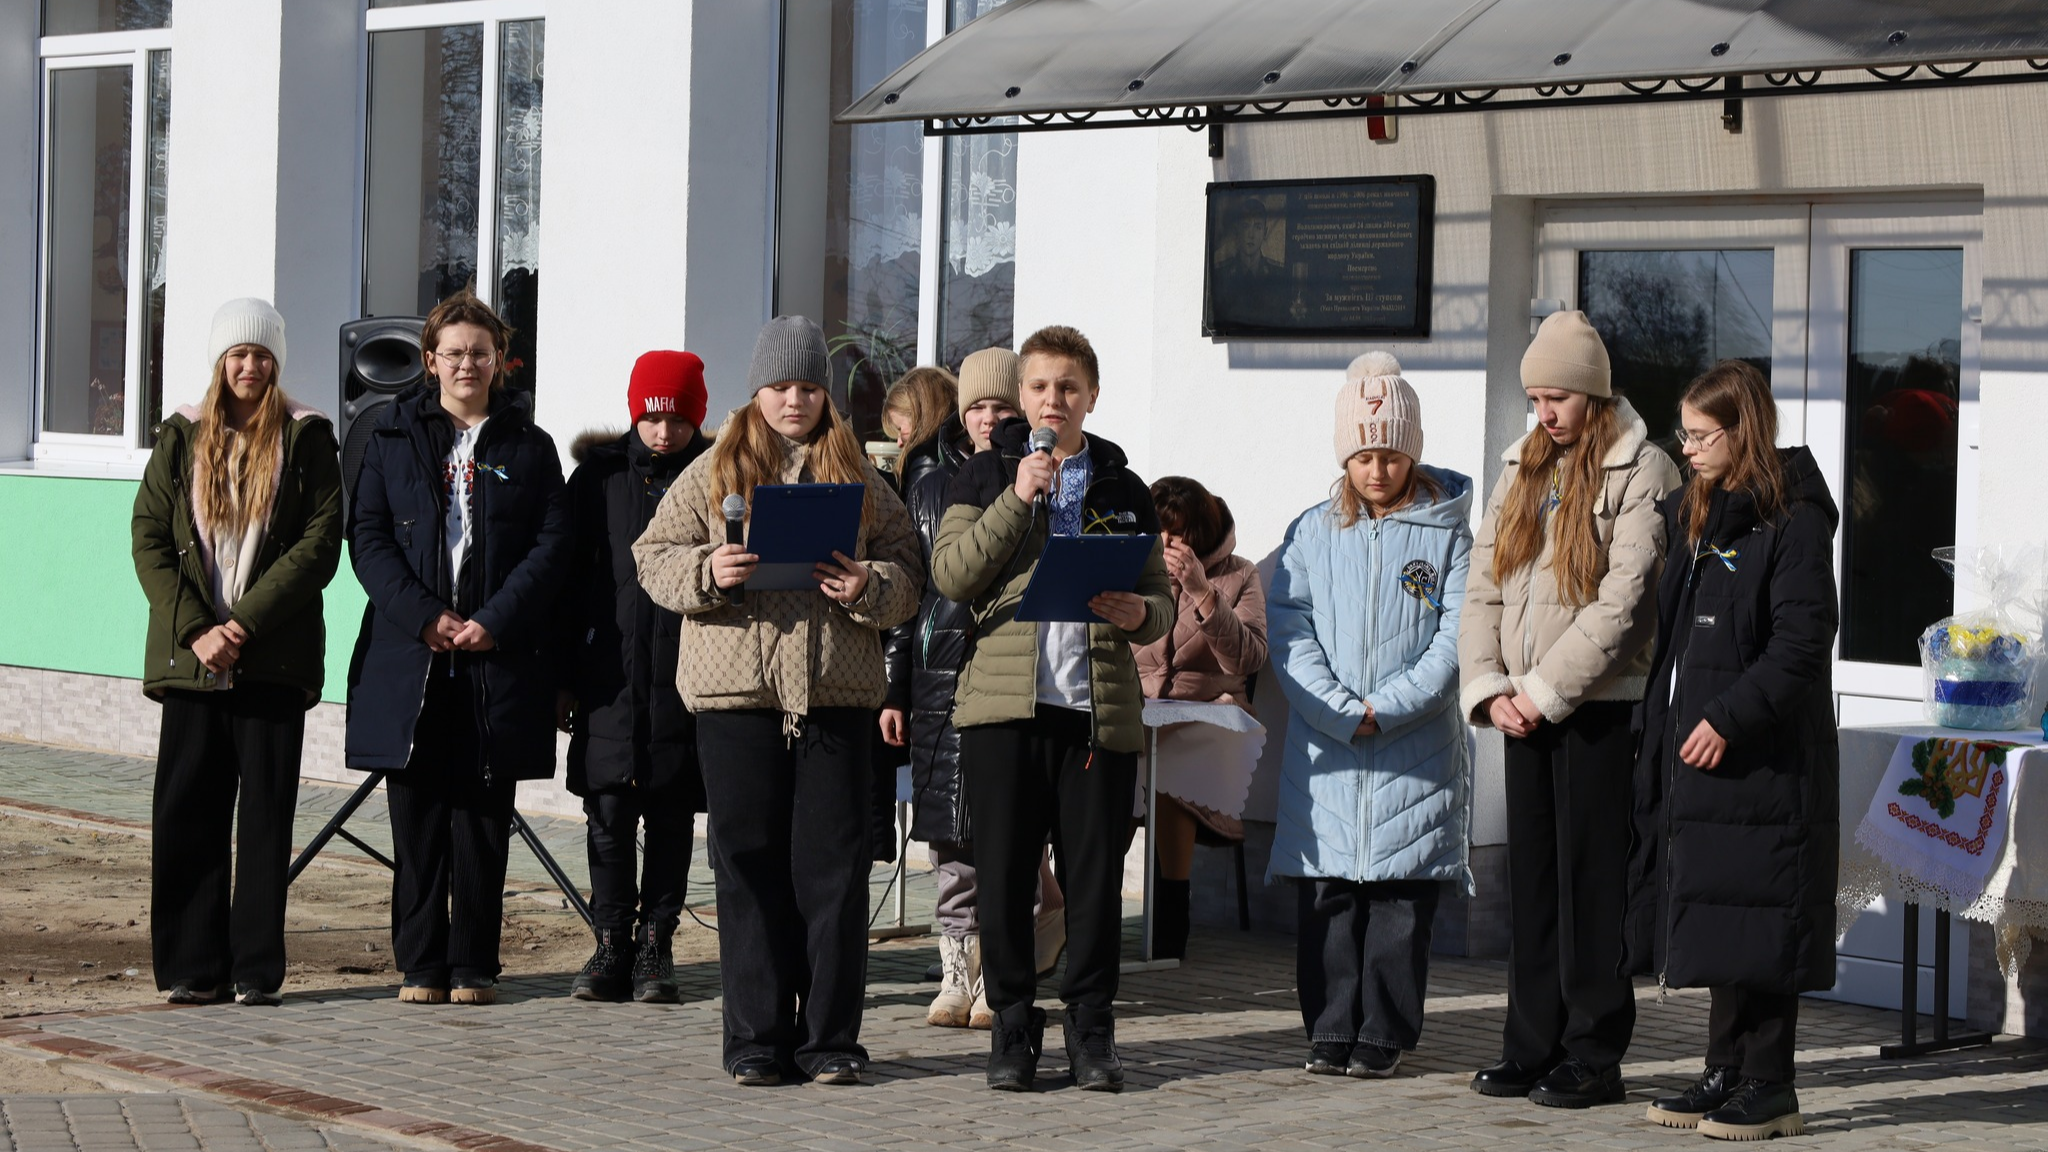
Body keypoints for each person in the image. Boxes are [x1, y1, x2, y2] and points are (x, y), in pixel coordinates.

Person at [634, 316, 922, 1087]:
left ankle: (830, 1041)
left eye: (807, 388)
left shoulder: (861, 476)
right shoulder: (712, 470)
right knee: (748, 866)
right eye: (780, 387)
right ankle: (756, 1039)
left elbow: (908, 573)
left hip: (835, 696)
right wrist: (708, 570)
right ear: (757, 392)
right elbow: (652, 559)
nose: (793, 401)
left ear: (826, 396)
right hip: (738, 696)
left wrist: (870, 587)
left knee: (833, 871)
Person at [931, 324, 1175, 1093]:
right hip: (1005, 710)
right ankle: (1011, 1026)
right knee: (1003, 880)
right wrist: (1017, 494)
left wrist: (1142, 616)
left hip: (1095, 710)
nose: (1053, 400)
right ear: (1022, 396)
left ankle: (1092, 1032)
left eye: (1068, 387)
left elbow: (1161, 600)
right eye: (1040, 386)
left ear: (1091, 397)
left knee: (1096, 882)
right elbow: (954, 574)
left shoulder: (1122, 485)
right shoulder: (983, 476)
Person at [1458, 310, 1680, 1106]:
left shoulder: (1642, 470)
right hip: (1521, 709)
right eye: (1535, 398)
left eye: (1557, 397)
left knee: (1592, 889)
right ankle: (1531, 1045)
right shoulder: (1522, 466)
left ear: (1592, 393)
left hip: (1597, 708)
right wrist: (1490, 691)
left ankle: (1592, 1055)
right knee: (1534, 885)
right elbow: (1483, 586)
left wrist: (1544, 691)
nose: (1544, 413)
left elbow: (1624, 607)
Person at [1629, 361, 1839, 1141]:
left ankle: (1770, 1082)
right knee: (1721, 912)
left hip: (1762, 758)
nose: (1685, 448)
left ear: (1742, 431)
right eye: (1681, 432)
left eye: (1699, 434)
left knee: (1764, 916)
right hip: (1700, 752)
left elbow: (1800, 643)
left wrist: (1727, 717)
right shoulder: (1700, 511)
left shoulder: (1794, 521)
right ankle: (1723, 1068)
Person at [346, 291, 571, 1007]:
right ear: (431, 360)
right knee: (416, 819)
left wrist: (494, 620)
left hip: (493, 658)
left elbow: (552, 544)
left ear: (500, 360)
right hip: (411, 655)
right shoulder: (387, 434)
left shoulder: (528, 446)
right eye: (454, 352)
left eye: (481, 352)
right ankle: (420, 963)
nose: (467, 364)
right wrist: (423, 617)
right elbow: (370, 538)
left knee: (480, 818)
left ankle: (474, 963)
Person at [131, 298, 344, 1006]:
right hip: (192, 663)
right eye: (238, 355)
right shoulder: (182, 437)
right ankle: (193, 968)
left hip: (270, 661)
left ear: (277, 363)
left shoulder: (309, 438)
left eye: (262, 356)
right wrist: (198, 630)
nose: (250, 367)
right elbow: (149, 540)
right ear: (220, 362)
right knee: (187, 813)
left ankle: (254, 969)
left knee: (264, 820)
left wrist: (242, 626)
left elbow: (319, 544)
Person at [1267, 353, 1472, 1078]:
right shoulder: (1313, 533)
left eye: (1389, 454)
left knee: (1396, 904)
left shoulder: (1447, 535)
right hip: (1328, 753)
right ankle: (1328, 1027)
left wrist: (1390, 707)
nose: (1377, 469)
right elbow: (1290, 629)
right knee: (1327, 899)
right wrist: (1337, 709)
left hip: (1412, 750)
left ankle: (1383, 1030)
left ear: (1411, 452)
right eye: (1363, 455)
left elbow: (1457, 636)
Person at [881, 351, 1067, 1029]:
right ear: (961, 415)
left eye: (1001, 407)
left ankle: (1002, 972)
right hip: (938, 670)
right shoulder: (928, 481)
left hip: (1008, 666)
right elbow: (917, 591)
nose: (989, 419)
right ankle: (956, 971)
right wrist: (895, 689)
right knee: (950, 840)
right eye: (977, 408)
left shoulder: (1043, 479)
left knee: (1010, 833)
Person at [558, 350, 714, 1004]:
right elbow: (564, 580)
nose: (663, 432)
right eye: (652, 418)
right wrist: (563, 676)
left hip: (685, 676)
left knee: (672, 816)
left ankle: (657, 944)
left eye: (677, 420)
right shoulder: (596, 479)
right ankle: (611, 942)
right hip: (607, 675)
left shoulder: (713, 475)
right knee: (610, 814)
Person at [1131, 475, 1268, 961]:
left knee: (1172, 775)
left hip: (1210, 714)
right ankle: (1090, 911)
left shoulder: (1240, 574)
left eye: (1180, 532)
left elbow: (1247, 660)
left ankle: (1171, 917)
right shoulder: (1133, 567)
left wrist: (1202, 592)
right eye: (1161, 530)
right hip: (1138, 709)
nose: (1168, 543)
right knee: (1108, 763)